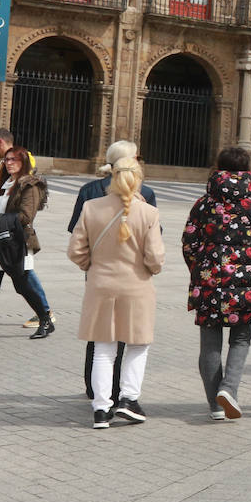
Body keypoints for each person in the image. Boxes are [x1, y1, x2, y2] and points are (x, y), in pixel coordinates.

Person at [183, 147, 251, 420]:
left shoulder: (203, 203)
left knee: (210, 341)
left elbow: (189, 243)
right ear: (248, 171)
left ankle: (215, 406)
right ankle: (228, 389)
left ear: (218, 168)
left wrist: (200, 269)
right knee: (241, 337)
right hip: (246, 282)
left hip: (208, 280)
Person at [67, 157, 165, 429]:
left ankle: (101, 408)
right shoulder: (148, 213)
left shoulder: (91, 207)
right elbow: (156, 258)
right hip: (137, 286)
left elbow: (75, 251)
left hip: (100, 285)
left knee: (103, 347)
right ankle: (129, 399)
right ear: (138, 179)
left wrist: (93, 266)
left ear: (111, 176)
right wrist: (148, 268)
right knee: (137, 345)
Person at [0, 146, 52, 342]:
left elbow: (26, 216)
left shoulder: (30, 185)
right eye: (7, 159)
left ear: (23, 162)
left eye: (14, 160)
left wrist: (0, 222)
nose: (9, 163)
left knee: (23, 286)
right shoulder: (4, 183)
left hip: (17, 244)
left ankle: (45, 319)